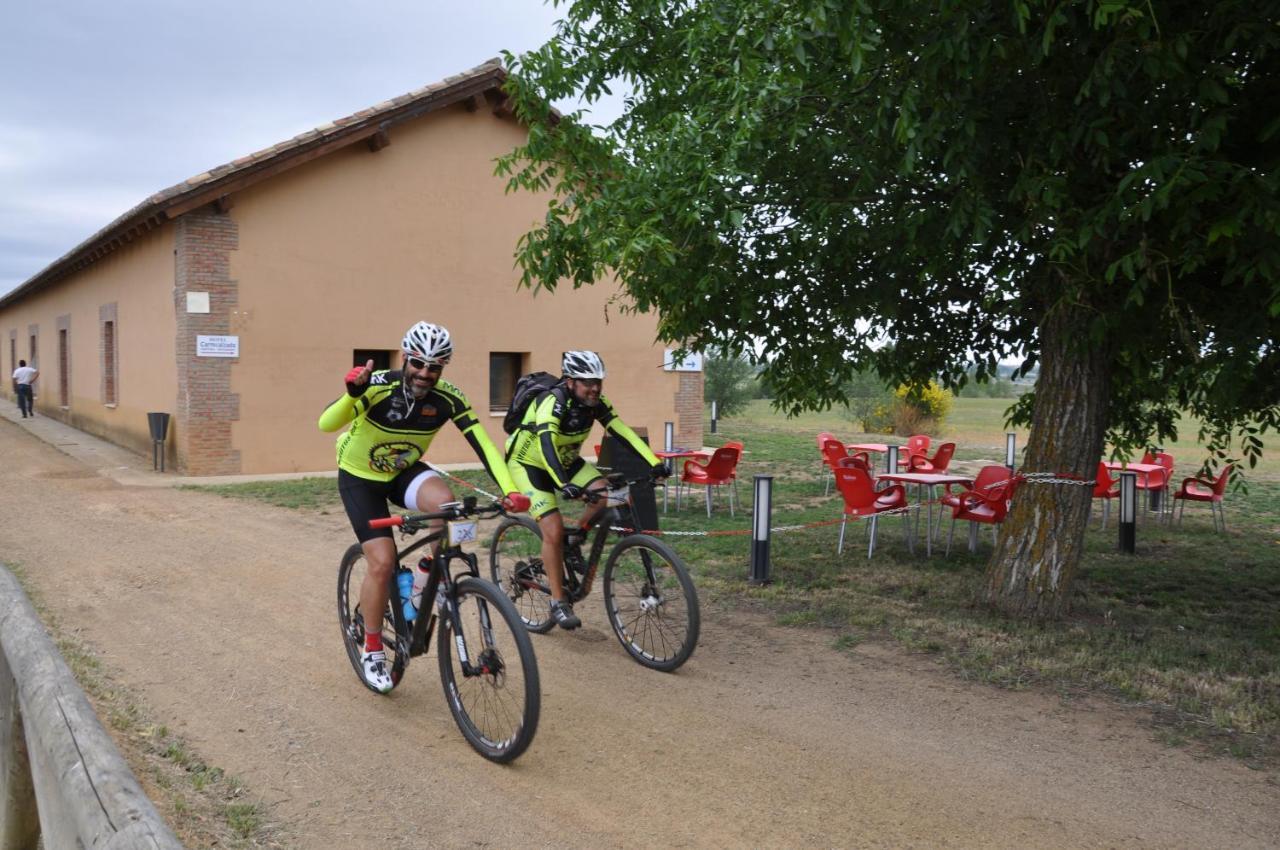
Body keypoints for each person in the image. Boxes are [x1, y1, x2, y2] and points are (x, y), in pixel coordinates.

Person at [319, 321, 530, 693]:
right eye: (418, 363)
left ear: (444, 367)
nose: (425, 373)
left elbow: (484, 445)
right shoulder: (378, 385)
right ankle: (372, 648)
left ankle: (421, 581)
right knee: (382, 561)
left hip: (402, 470)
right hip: (360, 477)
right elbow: (326, 423)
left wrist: (510, 491)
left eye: (435, 367)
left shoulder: (448, 397)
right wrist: (353, 394)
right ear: (406, 358)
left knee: (446, 505)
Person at [505, 350, 667, 629]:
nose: (594, 388)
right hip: (529, 464)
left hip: (565, 460)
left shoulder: (596, 403)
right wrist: (562, 484)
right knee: (552, 529)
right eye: (587, 381)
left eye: (598, 381)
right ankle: (558, 602)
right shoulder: (552, 401)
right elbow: (545, 444)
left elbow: (620, 430)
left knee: (603, 494)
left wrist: (654, 462)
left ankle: (576, 537)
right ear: (570, 381)